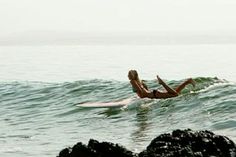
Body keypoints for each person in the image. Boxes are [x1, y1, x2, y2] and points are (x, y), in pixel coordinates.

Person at [128, 70, 195, 99]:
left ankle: (162, 83)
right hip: (153, 93)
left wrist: (141, 98)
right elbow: (145, 90)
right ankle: (188, 81)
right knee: (175, 92)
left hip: (154, 95)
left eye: (129, 74)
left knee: (175, 95)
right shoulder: (139, 82)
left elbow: (140, 91)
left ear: (132, 76)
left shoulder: (133, 81)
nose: (128, 75)